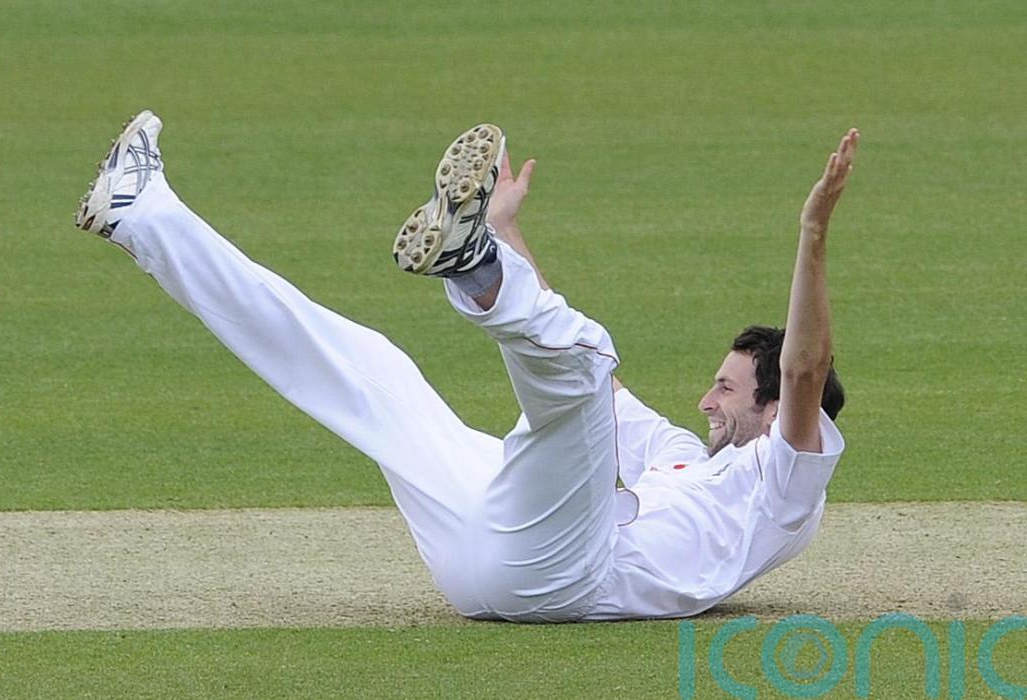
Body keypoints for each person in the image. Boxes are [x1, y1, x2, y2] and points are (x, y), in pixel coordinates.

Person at [74, 113, 859, 621]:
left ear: (775, 410)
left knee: (585, 358)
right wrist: (511, 233)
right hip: (483, 560)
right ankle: (144, 212)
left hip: (566, 577)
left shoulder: (786, 488)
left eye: (726, 387)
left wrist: (813, 233)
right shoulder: (684, 460)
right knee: (373, 371)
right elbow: (594, 398)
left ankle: (473, 267)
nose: (706, 398)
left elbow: (803, 368)